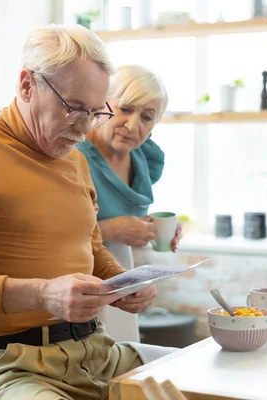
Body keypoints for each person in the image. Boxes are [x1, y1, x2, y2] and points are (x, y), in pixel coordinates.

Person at [0, 24, 171, 400]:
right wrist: (43, 294)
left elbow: (92, 250)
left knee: (209, 381)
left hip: (96, 354)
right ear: (28, 84)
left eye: (96, 112)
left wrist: (123, 284)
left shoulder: (74, 160)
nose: (84, 127)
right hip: (6, 368)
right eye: (75, 108)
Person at [76, 65, 180, 343]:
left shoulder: (144, 156)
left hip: (123, 269)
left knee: (121, 353)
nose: (134, 126)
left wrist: (149, 228)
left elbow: (127, 212)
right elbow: (52, 232)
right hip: (78, 273)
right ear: (103, 104)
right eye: (125, 109)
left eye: (147, 117)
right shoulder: (73, 155)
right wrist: (111, 230)